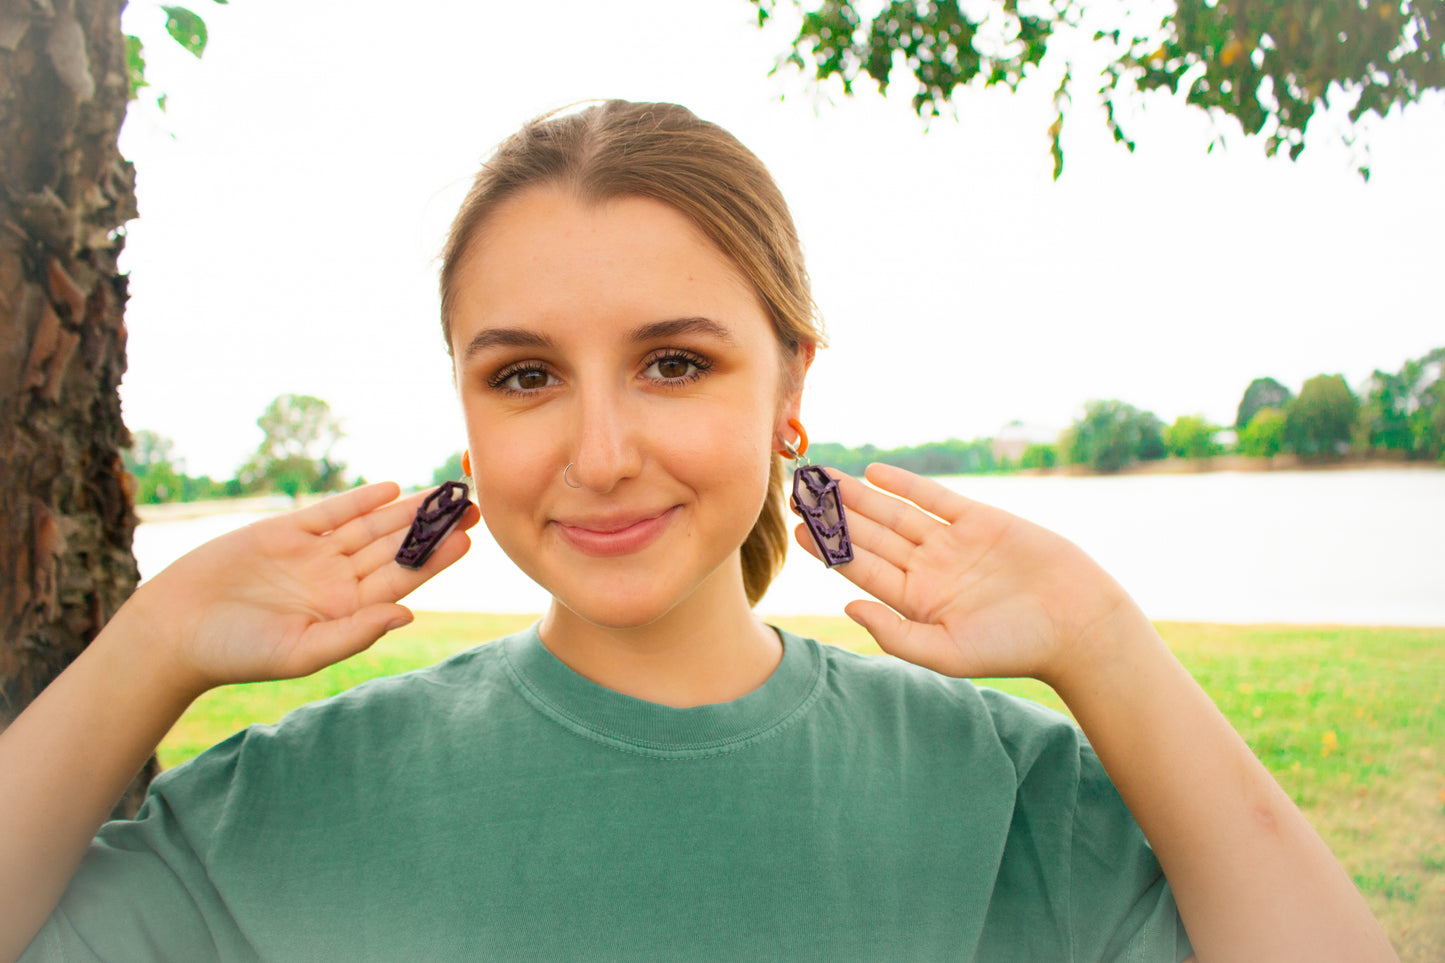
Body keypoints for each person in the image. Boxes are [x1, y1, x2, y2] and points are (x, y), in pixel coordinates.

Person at [1, 101, 1394, 962]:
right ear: (466, 413)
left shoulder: (1006, 799)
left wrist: (1105, 645)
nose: (599, 455)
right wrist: (154, 645)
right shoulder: (291, 807)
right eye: (525, 376)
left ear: (791, 385)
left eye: (674, 362)